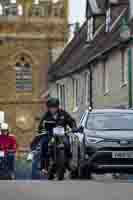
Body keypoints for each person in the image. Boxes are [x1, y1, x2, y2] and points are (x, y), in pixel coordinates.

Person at [38, 97, 77, 173]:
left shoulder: (63, 113)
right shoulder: (46, 116)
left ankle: (68, 162)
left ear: (57, 107)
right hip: (50, 135)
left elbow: (71, 121)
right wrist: (42, 130)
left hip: (62, 135)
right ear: (48, 108)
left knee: (67, 143)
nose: (53, 109)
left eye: (54, 107)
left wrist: (74, 127)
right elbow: (40, 126)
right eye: (51, 107)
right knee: (44, 144)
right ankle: (43, 165)